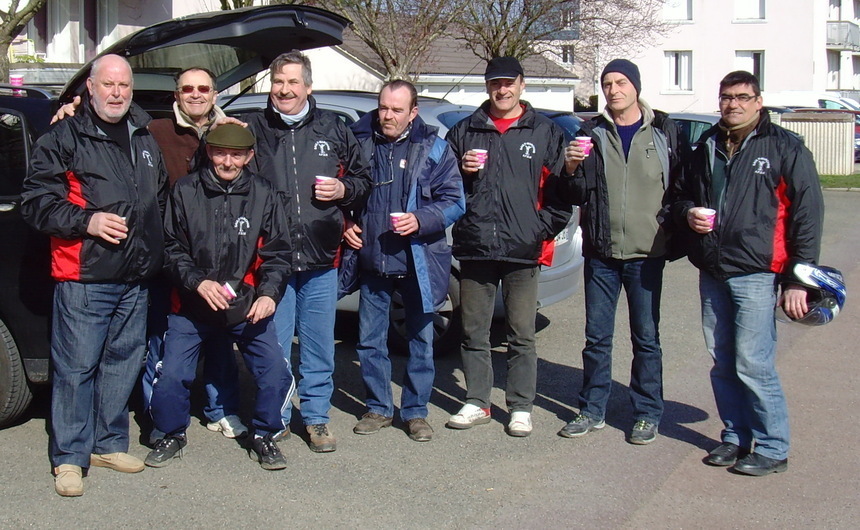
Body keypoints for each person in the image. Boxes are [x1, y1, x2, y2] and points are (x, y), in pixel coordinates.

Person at [54, 67, 247, 440]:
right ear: (176, 95)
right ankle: (158, 417)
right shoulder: (153, 131)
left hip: (221, 258)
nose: (195, 94)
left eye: (203, 88)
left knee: (221, 340)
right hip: (167, 257)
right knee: (159, 342)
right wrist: (72, 108)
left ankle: (219, 408)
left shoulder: (233, 129)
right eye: (187, 88)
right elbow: (110, 122)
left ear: (215, 93)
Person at [21, 54, 168, 496]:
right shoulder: (64, 135)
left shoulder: (143, 135)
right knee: (76, 368)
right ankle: (69, 456)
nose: (117, 92)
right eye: (108, 84)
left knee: (122, 363)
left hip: (136, 275)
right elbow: (36, 201)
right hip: (85, 276)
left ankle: (107, 442)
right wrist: (88, 221)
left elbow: (157, 194)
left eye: (124, 85)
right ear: (90, 87)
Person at [673, 71, 824, 476]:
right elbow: (683, 193)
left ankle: (773, 446)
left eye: (742, 97)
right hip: (713, 269)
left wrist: (798, 279)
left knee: (753, 363)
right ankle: (736, 437)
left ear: (759, 101)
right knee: (722, 361)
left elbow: (807, 216)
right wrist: (689, 213)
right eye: (726, 97)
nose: (733, 104)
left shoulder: (784, 147)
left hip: (757, 272)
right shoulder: (706, 144)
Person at [234, 50, 371, 452]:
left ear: (308, 87)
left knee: (317, 346)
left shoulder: (333, 128)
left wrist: (344, 190)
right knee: (273, 347)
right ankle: (273, 418)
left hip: (320, 259)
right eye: (278, 82)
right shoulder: (252, 129)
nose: (285, 89)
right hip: (271, 262)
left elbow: (363, 179)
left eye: (293, 82)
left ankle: (316, 418)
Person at [144, 124, 293, 470]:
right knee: (170, 375)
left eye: (237, 154)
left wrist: (269, 294)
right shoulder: (184, 191)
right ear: (209, 153)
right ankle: (170, 433)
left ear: (249, 157)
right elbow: (170, 249)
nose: (228, 161)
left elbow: (278, 252)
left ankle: (265, 435)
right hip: (192, 307)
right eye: (221, 153)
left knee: (275, 370)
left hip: (245, 306)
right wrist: (197, 282)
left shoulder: (263, 193)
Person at [557, 59, 685, 445]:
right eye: (607, 83)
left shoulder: (663, 130)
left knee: (646, 337)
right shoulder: (590, 133)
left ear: (636, 87)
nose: (613, 90)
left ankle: (647, 412)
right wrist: (570, 169)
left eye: (621, 82)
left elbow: (680, 188)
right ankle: (592, 408)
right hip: (602, 252)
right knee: (596, 337)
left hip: (648, 253)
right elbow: (575, 194)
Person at [444, 57, 572, 437]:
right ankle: (478, 401)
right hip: (476, 248)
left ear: (521, 84)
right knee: (473, 332)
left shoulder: (545, 132)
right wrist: (463, 174)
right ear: (487, 87)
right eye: (495, 83)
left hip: (522, 249)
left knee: (521, 333)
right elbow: (444, 191)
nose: (502, 90)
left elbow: (562, 192)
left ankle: (520, 406)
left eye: (508, 83)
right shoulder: (464, 131)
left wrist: (540, 229)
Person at [344, 80, 464, 442]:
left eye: (397, 109)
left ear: (413, 112)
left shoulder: (435, 148)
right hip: (373, 259)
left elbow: (455, 201)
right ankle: (378, 407)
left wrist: (421, 219)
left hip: (419, 259)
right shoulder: (358, 143)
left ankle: (414, 412)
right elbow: (341, 192)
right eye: (383, 107)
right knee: (369, 340)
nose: (388, 116)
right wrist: (346, 222)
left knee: (420, 341)